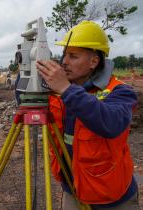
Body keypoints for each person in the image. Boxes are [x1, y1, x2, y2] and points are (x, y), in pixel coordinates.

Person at [36, 21, 140, 210]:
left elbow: (111, 123)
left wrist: (66, 89)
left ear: (94, 61)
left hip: (111, 197)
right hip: (73, 189)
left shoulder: (121, 91)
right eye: (64, 55)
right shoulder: (60, 89)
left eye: (73, 56)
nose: (64, 62)